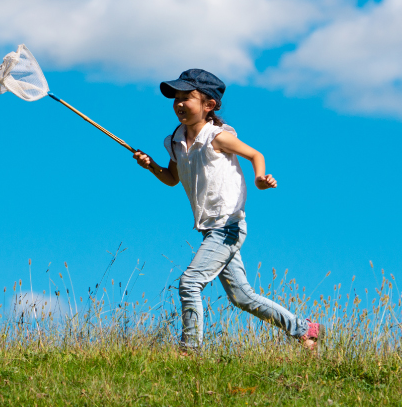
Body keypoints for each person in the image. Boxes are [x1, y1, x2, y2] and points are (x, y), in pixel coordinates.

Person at [132, 68, 321, 352]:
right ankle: (305, 329)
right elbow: (171, 179)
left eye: (187, 97)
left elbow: (256, 154)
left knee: (190, 282)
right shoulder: (175, 141)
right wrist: (150, 166)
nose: (179, 103)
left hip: (228, 225)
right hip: (210, 229)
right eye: (176, 98)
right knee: (242, 296)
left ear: (209, 105)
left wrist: (260, 178)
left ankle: (189, 351)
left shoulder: (217, 137)